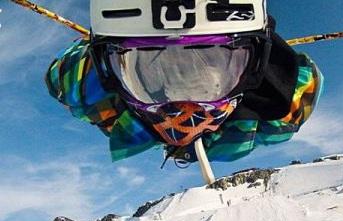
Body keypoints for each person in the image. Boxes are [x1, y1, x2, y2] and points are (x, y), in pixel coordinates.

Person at [46, 0, 323, 168]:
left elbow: (60, 77)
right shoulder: (282, 112)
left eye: (204, 79)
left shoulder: (85, 90)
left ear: (255, 68)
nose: (185, 109)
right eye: (154, 77)